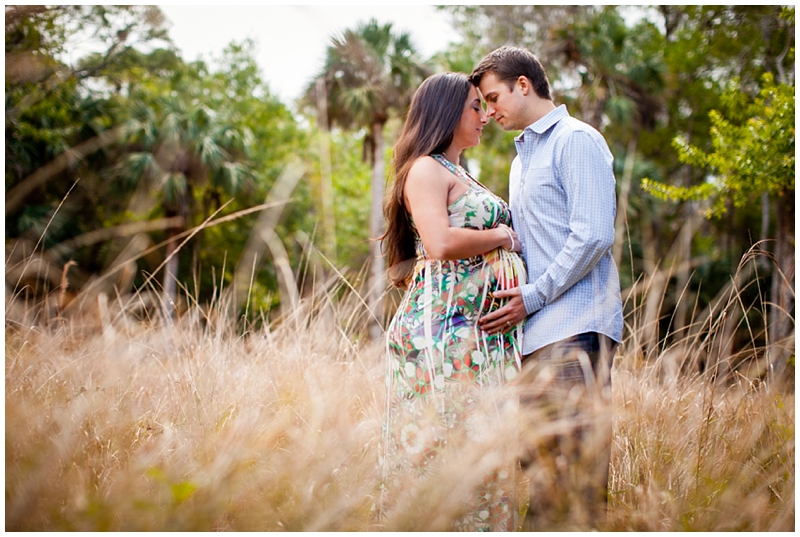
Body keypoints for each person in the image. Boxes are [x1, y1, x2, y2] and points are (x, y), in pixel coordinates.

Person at [469, 46, 624, 530]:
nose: (489, 111)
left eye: (493, 98)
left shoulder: (576, 140)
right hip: (535, 334)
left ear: (523, 84)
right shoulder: (521, 160)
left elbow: (594, 233)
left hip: (576, 328)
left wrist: (532, 295)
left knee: (574, 474)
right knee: (540, 472)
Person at [379, 72, 527, 531]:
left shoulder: (458, 171)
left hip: (477, 331)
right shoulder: (425, 168)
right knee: (449, 443)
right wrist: (504, 236)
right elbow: (440, 243)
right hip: (444, 329)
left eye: (485, 106)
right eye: (474, 107)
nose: (485, 116)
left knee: (484, 444)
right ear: (445, 113)